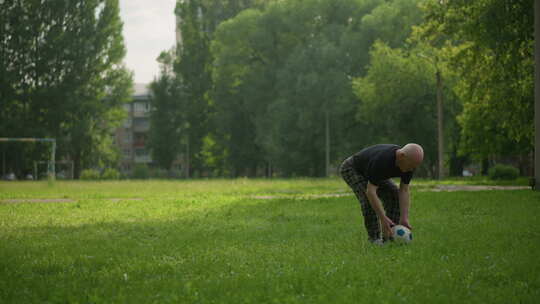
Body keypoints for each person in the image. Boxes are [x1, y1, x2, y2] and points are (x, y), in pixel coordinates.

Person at [339, 143, 424, 245]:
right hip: (353, 169)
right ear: (401, 156)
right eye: (410, 166)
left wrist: (404, 218)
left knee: (394, 194)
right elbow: (371, 192)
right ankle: (374, 239)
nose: (411, 170)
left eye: (414, 167)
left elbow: (404, 190)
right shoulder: (382, 161)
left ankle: (390, 235)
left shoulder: (409, 164)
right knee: (368, 201)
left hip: (370, 171)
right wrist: (383, 218)